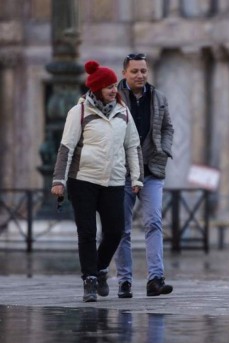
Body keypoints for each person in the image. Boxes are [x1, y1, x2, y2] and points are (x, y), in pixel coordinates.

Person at [51, 60, 143, 302]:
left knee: (115, 230)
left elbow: (132, 146)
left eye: (115, 85)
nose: (114, 90)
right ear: (96, 89)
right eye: (109, 86)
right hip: (83, 180)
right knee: (87, 232)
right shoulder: (79, 111)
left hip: (113, 180)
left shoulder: (123, 112)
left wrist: (136, 178)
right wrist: (58, 180)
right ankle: (89, 280)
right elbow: (66, 148)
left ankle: (100, 269)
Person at [114, 53, 175, 298]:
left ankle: (156, 279)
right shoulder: (114, 98)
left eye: (143, 71)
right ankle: (124, 281)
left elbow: (168, 127)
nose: (140, 75)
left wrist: (165, 149)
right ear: (124, 73)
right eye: (135, 71)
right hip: (123, 172)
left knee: (154, 223)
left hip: (152, 169)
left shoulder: (158, 97)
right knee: (121, 229)